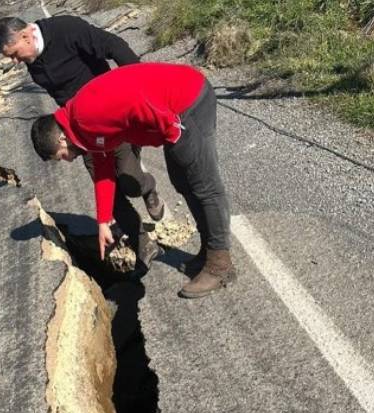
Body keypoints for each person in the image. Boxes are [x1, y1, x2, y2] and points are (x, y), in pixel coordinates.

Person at [30, 62, 235, 298]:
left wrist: (171, 128)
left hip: (187, 102)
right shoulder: (80, 126)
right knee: (182, 181)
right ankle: (208, 250)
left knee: (203, 185)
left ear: (62, 140)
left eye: (60, 157)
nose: (66, 161)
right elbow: (104, 168)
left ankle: (220, 266)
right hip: (175, 109)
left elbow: (136, 100)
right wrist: (104, 220)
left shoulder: (86, 115)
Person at [0, 15, 164, 269]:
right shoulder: (33, 61)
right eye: (11, 58)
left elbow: (113, 45)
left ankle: (147, 188)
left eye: (15, 54)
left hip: (112, 117)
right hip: (79, 131)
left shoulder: (65, 30)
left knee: (129, 180)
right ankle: (143, 244)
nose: (16, 62)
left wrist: (141, 83)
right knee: (107, 190)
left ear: (26, 35)